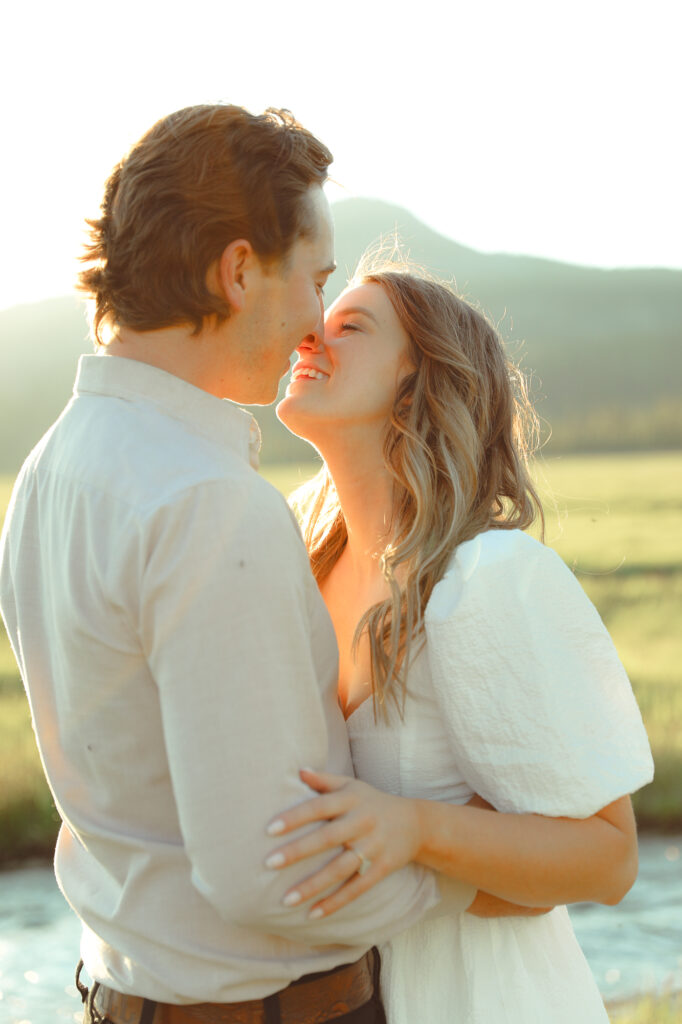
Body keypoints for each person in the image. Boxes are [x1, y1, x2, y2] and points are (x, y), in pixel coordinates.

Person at [0, 106, 490, 1024]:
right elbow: (270, 875)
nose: (316, 317)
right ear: (237, 271)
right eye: (314, 278)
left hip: (121, 999)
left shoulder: (49, 469)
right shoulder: (209, 503)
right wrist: (471, 886)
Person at [271, 259, 655, 1023]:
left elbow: (610, 857)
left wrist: (414, 829)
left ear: (419, 384)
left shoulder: (486, 576)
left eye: (351, 327)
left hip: (486, 999)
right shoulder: (292, 562)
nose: (311, 335)